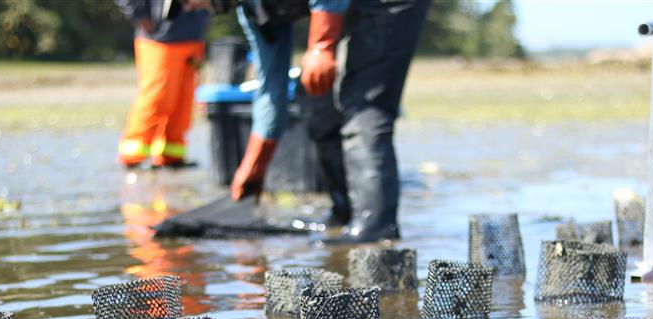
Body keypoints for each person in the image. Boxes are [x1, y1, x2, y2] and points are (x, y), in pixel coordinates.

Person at [231, 0, 431, 243]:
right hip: (348, 8)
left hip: (389, 5)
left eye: (184, 2)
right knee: (315, 96)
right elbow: (271, 89)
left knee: (364, 106)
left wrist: (321, 47)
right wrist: (254, 166)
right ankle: (344, 212)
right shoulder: (252, 11)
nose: (187, 8)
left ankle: (375, 227)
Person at [115, 0, 211, 168]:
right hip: (159, 38)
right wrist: (140, 15)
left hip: (193, 36)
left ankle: (171, 155)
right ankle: (132, 155)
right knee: (156, 97)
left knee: (184, 100)